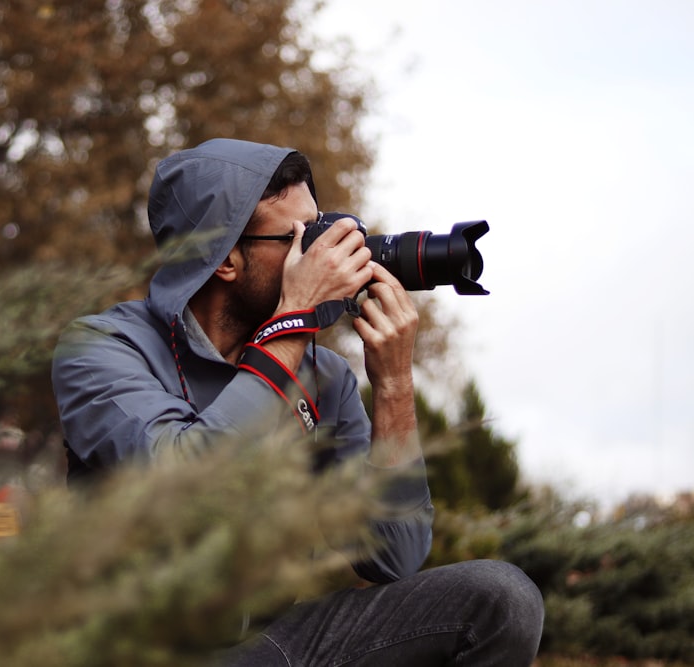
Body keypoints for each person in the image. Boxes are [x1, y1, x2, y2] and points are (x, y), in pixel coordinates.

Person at [52, 138, 544, 665]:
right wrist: (292, 321)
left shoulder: (324, 378)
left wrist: (395, 383)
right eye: (297, 238)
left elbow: (393, 555)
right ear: (224, 260)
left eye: (320, 228)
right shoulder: (103, 348)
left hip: (271, 647)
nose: (321, 253)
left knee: (500, 599)